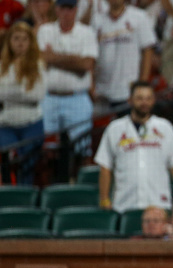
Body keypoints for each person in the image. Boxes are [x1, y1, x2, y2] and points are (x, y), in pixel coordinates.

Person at [94, 81, 173, 213]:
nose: (144, 102)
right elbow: (105, 167)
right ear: (130, 100)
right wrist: (104, 199)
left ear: (153, 100)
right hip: (124, 204)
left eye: (148, 98)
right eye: (139, 98)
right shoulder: (115, 129)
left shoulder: (165, 127)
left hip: (158, 204)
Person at [37, 0, 98, 164]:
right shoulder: (45, 30)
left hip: (77, 97)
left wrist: (54, 57)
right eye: (63, 8)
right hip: (50, 97)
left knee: (82, 149)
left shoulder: (86, 32)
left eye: (70, 8)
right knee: (48, 151)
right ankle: (50, 188)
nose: (66, 12)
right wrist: (74, 60)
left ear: (76, 10)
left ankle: (82, 188)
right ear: (56, 9)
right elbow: (43, 58)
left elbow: (86, 65)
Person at [0, 22, 46, 185]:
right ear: (9, 41)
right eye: (16, 38)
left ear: (30, 42)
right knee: (7, 165)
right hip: (6, 123)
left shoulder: (38, 65)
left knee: (28, 167)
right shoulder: (2, 65)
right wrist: (21, 91)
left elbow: (37, 94)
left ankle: (26, 202)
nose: (20, 43)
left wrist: (9, 92)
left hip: (31, 122)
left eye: (24, 39)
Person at [92, 0, 156, 109]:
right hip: (103, 91)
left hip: (129, 89)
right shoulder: (97, 20)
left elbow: (147, 51)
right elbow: (91, 56)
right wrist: (92, 86)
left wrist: (142, 84)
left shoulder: (139, 17)